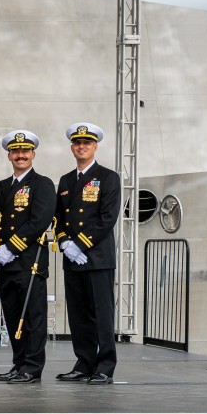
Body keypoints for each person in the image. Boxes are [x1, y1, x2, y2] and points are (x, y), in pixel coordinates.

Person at [54, 123, 120, 385]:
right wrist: (64, 244)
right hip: (72, 259)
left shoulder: (108, 177)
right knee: (78, 315)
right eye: (77, 143)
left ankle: (105, 366)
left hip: (97, 258)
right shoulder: (67, 180)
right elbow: (58, 218)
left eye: (87, 143)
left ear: (95, 146)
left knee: (101, 314)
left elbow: (107, 218)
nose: (82, 147)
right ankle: (84, 363)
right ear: (72, 147)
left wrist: (79, 243)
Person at [0, 130, 56, 384]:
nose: (21, 155)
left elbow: (39, 221)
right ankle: (19, 363)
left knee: (33, 317)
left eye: (25, 151)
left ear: (33, 154)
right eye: (16, 151)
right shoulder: (0, 188)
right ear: (9, 155)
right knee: (12, 315)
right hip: (6, 263)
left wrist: (12, 247)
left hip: (30, 262)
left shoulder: (42, 184)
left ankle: (32, 367)